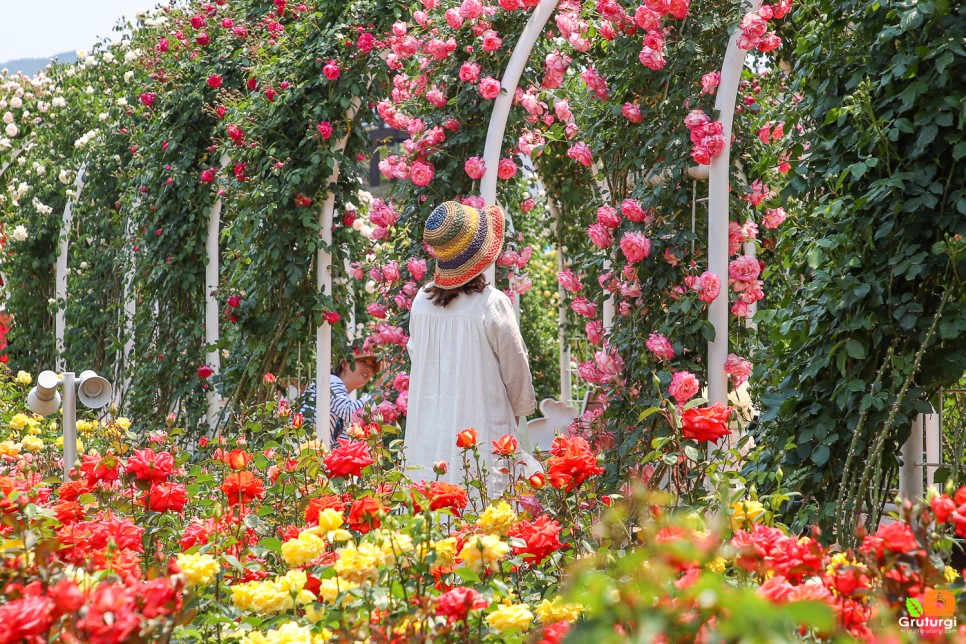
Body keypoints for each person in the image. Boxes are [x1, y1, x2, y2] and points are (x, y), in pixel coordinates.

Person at [404, 201, 539, 496]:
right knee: (483, 521)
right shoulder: (492, 303)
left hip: (429, 437)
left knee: (429, 520)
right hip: (481, 437)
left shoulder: (421, 303)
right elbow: (516, 374)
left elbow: (419, 360)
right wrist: (509, 423)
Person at [299, 347, 382, 448]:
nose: (368, 368)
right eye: (363, 361)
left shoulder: (341, 400)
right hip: (301, 451)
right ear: (344, 364)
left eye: (371, 365)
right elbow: (350, 412)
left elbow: (338, 446)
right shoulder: (331, 381)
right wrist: (380, 388)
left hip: (310, 454)